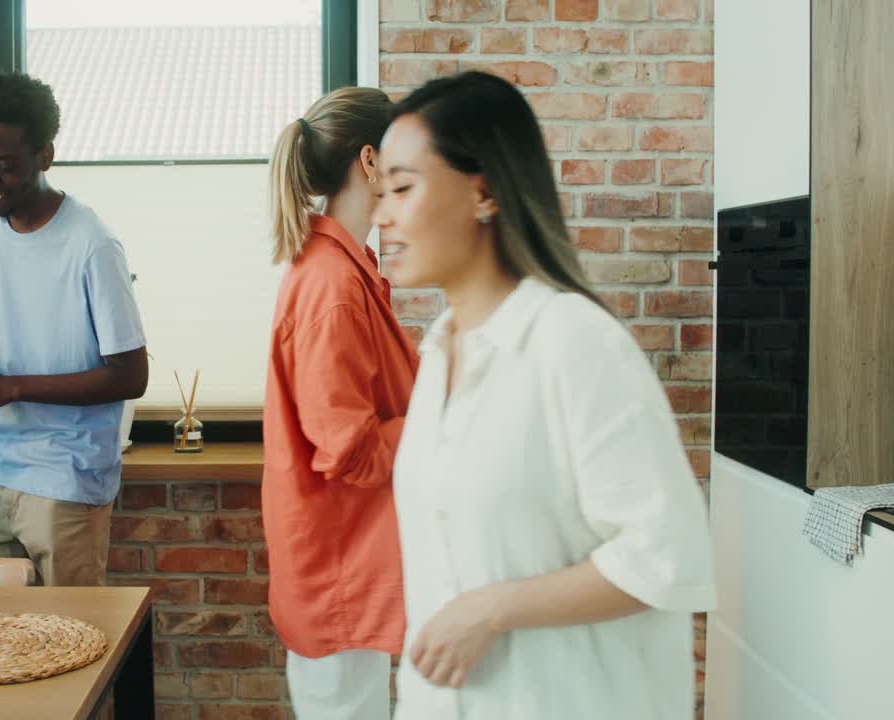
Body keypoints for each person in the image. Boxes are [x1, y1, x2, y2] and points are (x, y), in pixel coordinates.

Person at [373, 71, 717, 719]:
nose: (382, 214)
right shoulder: (440, 346)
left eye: (402, 187)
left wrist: (491, 608)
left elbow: (661, 553)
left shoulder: (573, 342)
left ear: (484, 191)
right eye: (379, 192)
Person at [0, 73, 147, 587]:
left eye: (5, 165)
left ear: (45, 156)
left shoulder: (92, 243)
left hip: (68, 477)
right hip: (0, 467)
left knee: (72, 644)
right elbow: (3, 327)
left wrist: (9, 388)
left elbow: (130, 375)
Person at [262, 87, 419, 719]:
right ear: (371, 160)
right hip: (341, 575)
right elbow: (351, 451)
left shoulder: (347, 271)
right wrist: (436, 412)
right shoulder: (331, 286)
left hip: (352, 562)